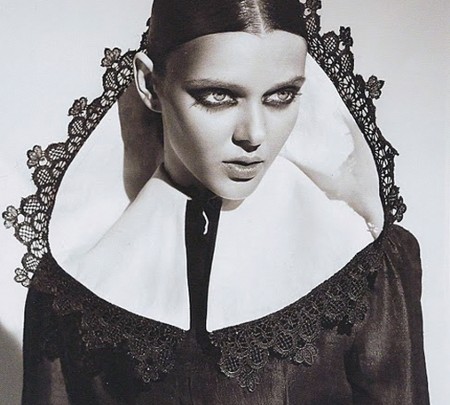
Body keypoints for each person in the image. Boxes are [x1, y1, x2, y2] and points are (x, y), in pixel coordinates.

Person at [3, 0, 429, 403]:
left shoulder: (364, 263)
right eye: (218, 96)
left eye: (281, 96)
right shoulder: (73, 281)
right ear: (149, 84)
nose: (254, 134)